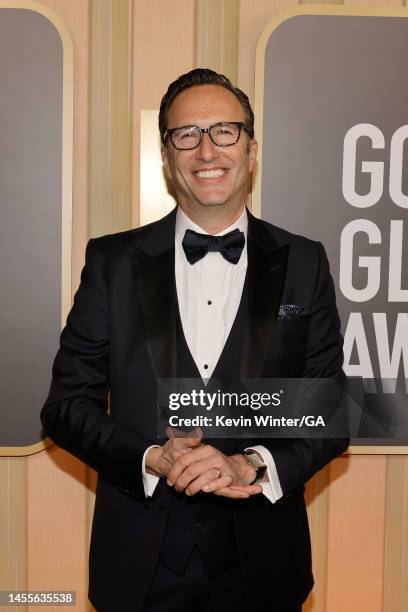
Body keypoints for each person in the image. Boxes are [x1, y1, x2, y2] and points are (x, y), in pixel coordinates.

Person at [41, 68, 348, 612]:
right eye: (188, 134)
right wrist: (151, 457)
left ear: (251, 150)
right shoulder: (111, 262)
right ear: (166, 156)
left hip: (265, 566)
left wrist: (250, 463)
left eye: (225, 131)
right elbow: (65, 408)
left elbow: (329, 412)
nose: (207, 149)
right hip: (138, 566)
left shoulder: (304, 262)